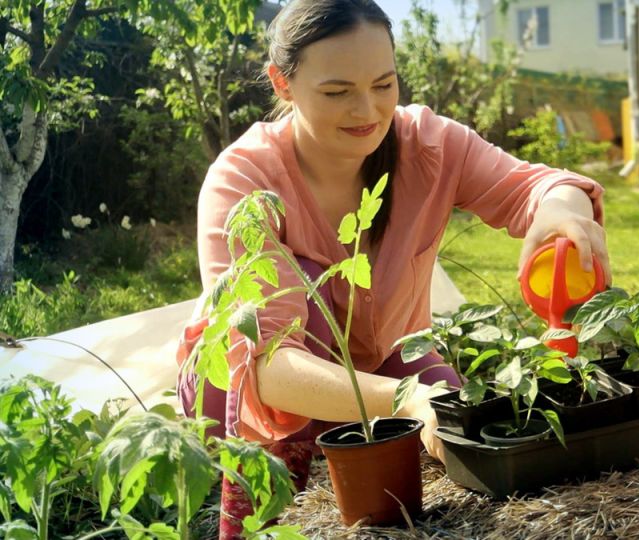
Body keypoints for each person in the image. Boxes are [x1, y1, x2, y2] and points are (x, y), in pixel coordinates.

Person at [175, 0, 610, 537]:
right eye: (338, 92)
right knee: (281, 513)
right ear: (282, 84)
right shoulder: (245, 182)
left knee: (469, 440)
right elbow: (267, 365)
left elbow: (534, 185)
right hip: (272, 393)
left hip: (389, 360)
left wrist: (562, 212)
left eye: (384, 84)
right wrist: (408, 400)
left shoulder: (427, 145)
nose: (368, 111)